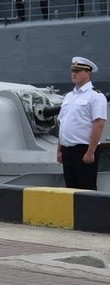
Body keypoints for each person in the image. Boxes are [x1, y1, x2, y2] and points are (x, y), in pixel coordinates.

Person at [57, 57, 106, 190]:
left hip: (84, 150)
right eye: (73, 70)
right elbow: (63, 124)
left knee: (87, 189)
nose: (74, 73)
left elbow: (99, 124)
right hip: (67, 151)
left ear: (88, 74)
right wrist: (59, 150)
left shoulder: (95, 96)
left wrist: (90, 152)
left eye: (78, 71)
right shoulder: (68, 96)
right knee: (71, 189)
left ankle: (91, 212)